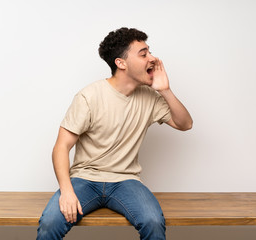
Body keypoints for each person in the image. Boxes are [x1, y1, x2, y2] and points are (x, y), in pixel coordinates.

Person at [36, 27, 193, 240]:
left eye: (150, 52)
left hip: (126, 180)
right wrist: (66, 191)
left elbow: (185, 124)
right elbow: (61, 147)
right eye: (144, 54)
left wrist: (165, 90)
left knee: (153, 222)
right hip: (85, 179)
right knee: (50, 222)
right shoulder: (89, 96)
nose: (153, 59)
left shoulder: (150, 97)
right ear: (121, 63)